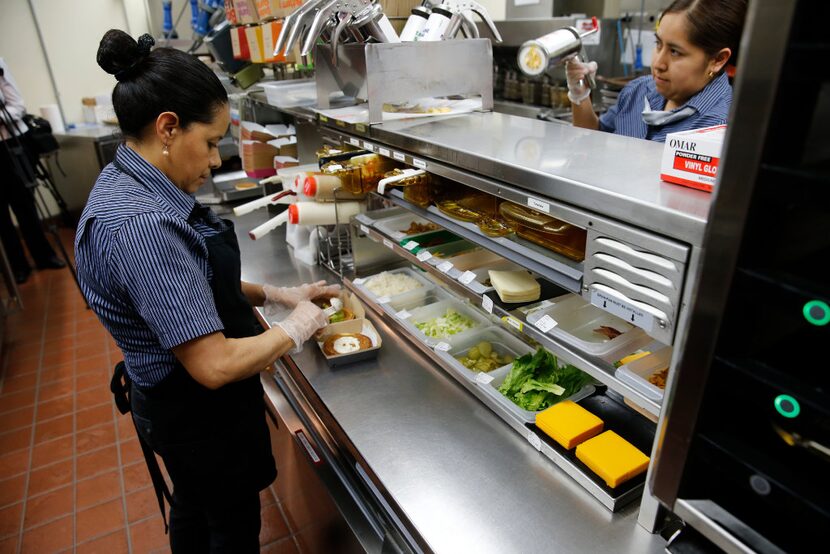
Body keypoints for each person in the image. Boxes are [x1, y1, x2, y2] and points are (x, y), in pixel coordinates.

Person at [75, 30, 338, 552]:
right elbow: (213, 364)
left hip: (172, 407)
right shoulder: (142, 223)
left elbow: (179, 284)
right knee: (231, 528)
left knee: (195, 508)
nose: (217, 160)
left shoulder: (125, 180)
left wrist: (272, 294)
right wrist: (296, 328)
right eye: (213, 142)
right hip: (194, 413)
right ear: (168, 127)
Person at [567, 0, 747, 142]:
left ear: (718, 60)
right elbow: (592, 139)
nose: (658, 63)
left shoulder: (718, 128)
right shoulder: (637, 91)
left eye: (675, 52)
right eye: (658, 44)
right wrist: (580, 96)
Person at [0, 58, 66, 283]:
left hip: (12, 144)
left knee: (25, 205)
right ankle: (18, 266)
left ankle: (44, 255)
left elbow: (17, 105)